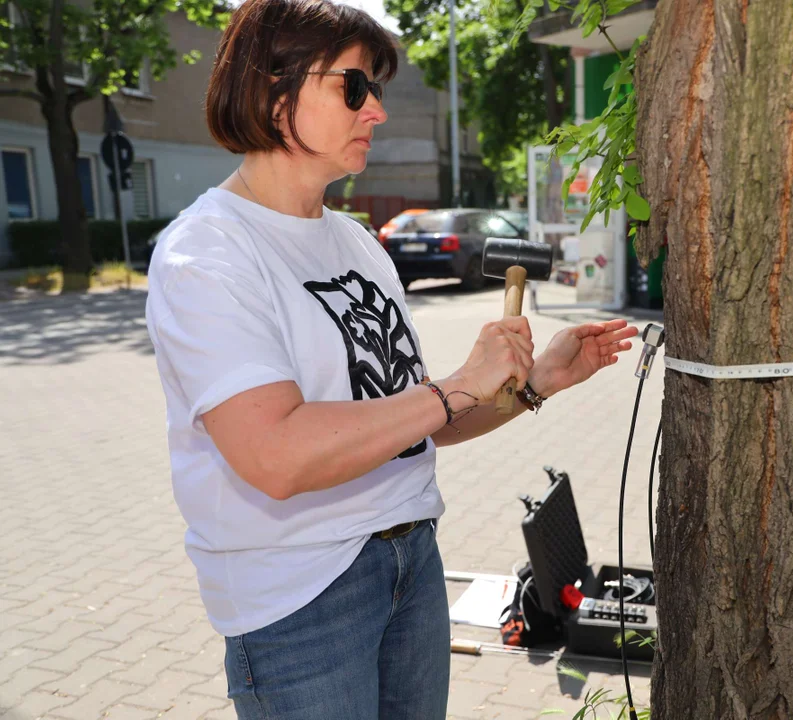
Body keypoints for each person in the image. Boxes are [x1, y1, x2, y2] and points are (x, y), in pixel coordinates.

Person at [143, 0, 638, 717]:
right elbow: (274, 455)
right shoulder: (207, 254)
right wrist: (458, 384)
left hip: (413, 566)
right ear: (270, 89)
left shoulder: (356, 245)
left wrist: (533, 383)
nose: (374, 110)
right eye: (353, 86)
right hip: (300, 598)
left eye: (377, 88)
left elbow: (413, 425)